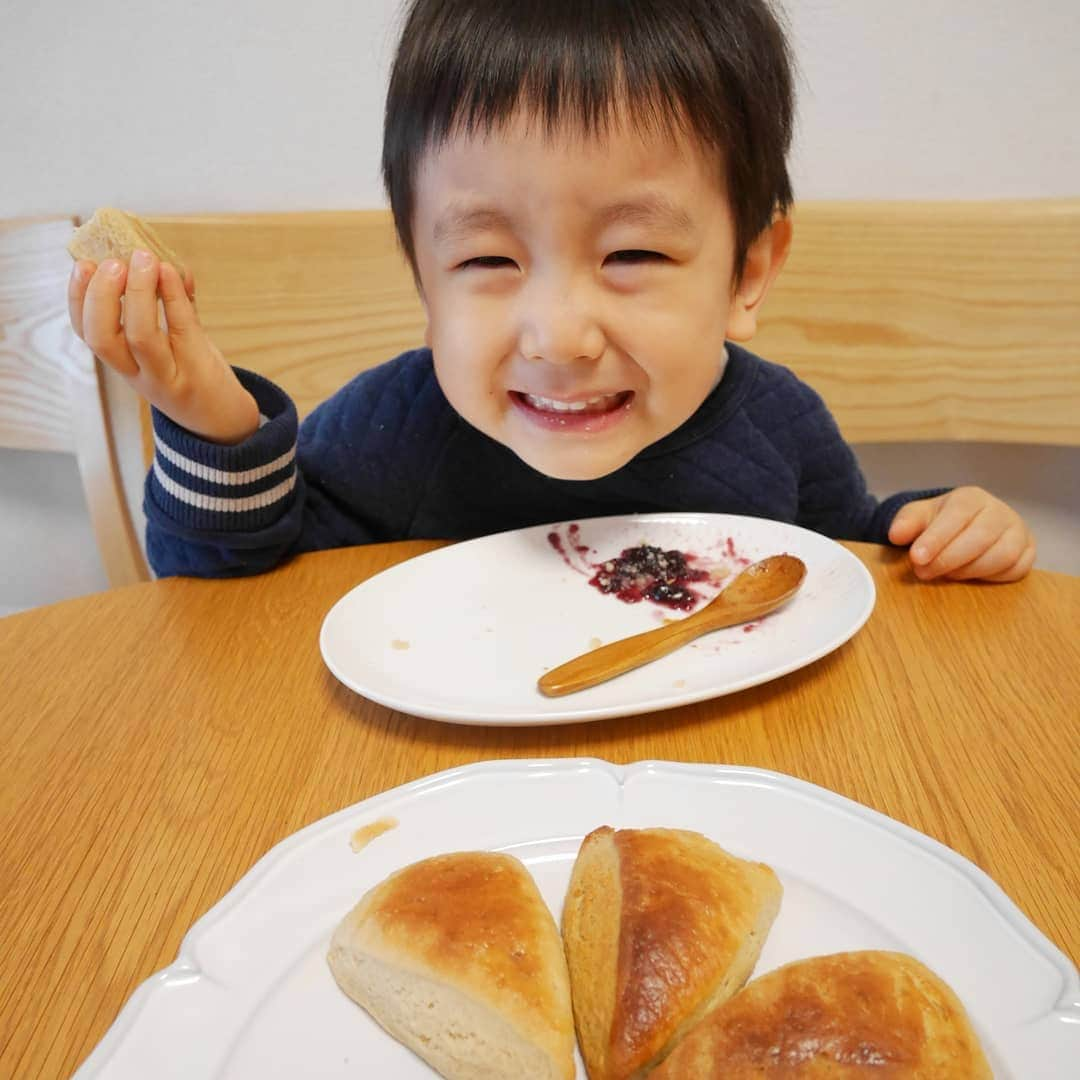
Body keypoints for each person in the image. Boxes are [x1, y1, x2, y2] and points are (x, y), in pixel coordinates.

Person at [67, 0, 1034, 583]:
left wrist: (936, 532)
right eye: (488, 262)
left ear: (747, 273)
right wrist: (212, 421)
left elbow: (841, 564)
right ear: (423, 276)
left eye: (634, 256)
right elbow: (233, 588)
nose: (559, 336)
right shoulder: (393, 432)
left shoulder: (777, 431)